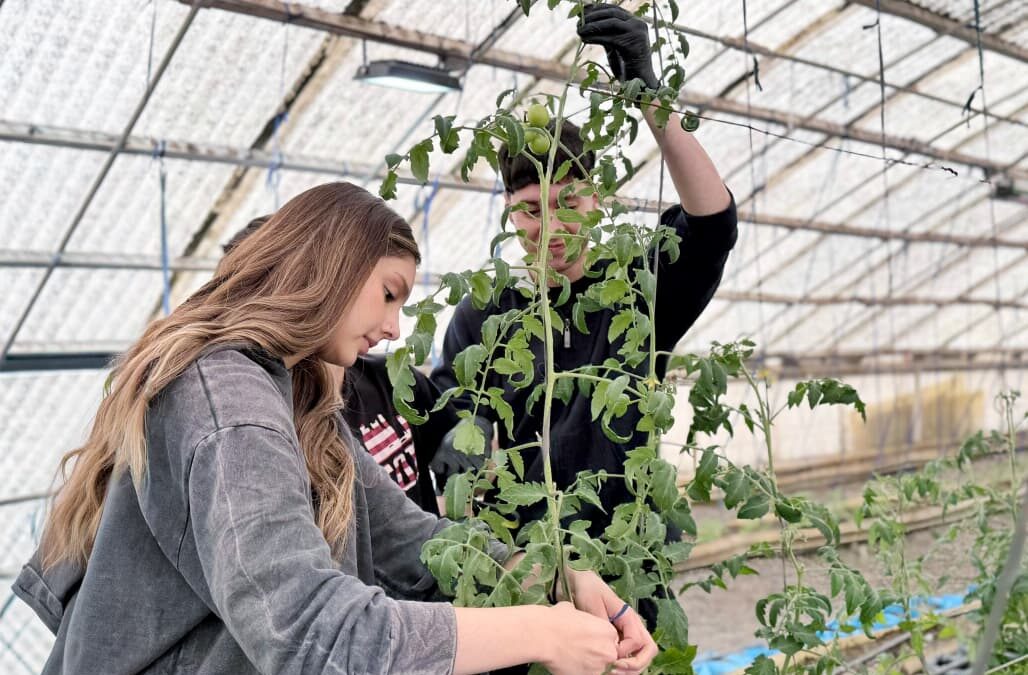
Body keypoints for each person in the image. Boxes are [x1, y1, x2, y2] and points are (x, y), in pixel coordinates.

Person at [12, 182, 657, 675]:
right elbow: (304, 628)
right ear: (333, 265)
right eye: (389, 292)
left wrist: (552, 579)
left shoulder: (297, 395)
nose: (395, 327)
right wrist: (538, 632)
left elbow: (415, 541)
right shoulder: (226, 402)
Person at [431, 3, 739, 538]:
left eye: (566, 202)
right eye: (530, 210)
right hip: (521, 560)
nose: (549, 227)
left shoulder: (638, 288)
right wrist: (461, 429)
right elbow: (449, 401)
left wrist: (651, 103)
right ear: (508, 211)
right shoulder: (486, 310)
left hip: (625, 554)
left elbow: (712, 224)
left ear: (595, 200)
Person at [225, 217, 461, 515]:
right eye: (387, 294)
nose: (394, 330)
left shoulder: (392, 379)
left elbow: (406, 528)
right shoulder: (261, 424)